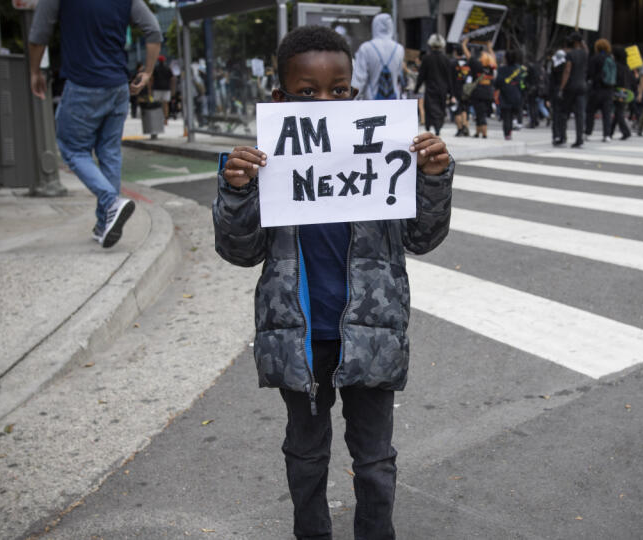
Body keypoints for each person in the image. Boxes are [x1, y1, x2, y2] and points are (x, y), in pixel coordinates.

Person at [213, 25, 454, 540]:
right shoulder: (263, 163)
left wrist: (432, 177)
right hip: (298, 340)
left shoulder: (384, 151)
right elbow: (240, 251)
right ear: (279, 98)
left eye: (339, 90)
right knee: (305, 455)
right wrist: (236, 191)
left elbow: (422, 237)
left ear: (354, 92)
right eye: (307, 92)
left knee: (374, 461)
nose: (326, 101)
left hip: (371, 334)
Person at [29, 0, 161, 248]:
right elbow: (153, 29)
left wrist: (34, 72)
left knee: (72, 148)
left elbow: (38, 35)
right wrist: (148, 71)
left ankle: (111, 202)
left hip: (83, 84)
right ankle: (104, 224)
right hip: (118, 86)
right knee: (109, 153)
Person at [352, 13, 404, 100]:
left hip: (371, 102)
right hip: (393, 101)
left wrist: (351, 100)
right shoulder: (399, 49)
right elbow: (398, 76)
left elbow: (359, 80)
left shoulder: (366, 48)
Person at [415, 33, 454, 136]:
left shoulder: (427, 58)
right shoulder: (446, 59)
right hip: (443, 89)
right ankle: (438, 127)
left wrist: (417, 88)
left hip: (430, 87)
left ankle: (429, 125)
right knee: (440, 107)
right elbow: (449, 77)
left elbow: (421, 75)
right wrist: (452, 93)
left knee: (429, 107)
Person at [558, 32, 588, 147]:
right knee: (579, 114)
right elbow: (586, 50)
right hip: (582, 85)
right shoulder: (585, 53)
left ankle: (562, 136)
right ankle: (579, 138)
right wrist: (583, 42)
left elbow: (567, 71)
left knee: (564, 112)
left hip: (571, 86)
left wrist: (561, 87)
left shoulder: (570, 55)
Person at [463, 37, 496, 139]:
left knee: (479, 113)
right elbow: (493, 58)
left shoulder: (476, 63)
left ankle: (484, 133)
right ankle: (478, 133)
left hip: (478, 92)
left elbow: (468, 56)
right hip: (489, 92)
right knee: (482, 112)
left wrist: (464, 45)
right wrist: (490, 48)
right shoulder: (491, 65)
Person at [585, 38, 614, 142]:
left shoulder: (594, 58)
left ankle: (588, 132)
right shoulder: (610, 58)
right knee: (606, 114)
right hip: (608, 90)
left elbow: (589, 74)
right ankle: (607, 135)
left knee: (590, 112)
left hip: (596, 89)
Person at [495, 49, 525, 140]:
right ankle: (510, 131)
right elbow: (522, 81)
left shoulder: (502, 69)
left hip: (505, 94)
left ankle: (507, 133)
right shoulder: (519, 69)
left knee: (506, 116)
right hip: (516, 94)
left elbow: (497, 82)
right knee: (512, 115)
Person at [609, 45, 634, 140]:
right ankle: (610, 132)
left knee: (619, 112)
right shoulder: (626, 66)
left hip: (617, 90)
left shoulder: (616, 65)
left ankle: (625, 131)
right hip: (625, 90)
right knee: (618, 111)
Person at [449, 43, 472, 136]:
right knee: (464, 109)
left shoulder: (452, 63)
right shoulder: (468, 63)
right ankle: (466, 127)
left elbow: (450, 78)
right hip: (466, 90)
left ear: (455, 52)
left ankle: (460, 129)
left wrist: (451, 93)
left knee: (456, 111)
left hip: (456, 89)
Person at [548, 48, 567, 145]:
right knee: (563, 115)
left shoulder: (553, 66)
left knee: (555, 115)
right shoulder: (566, 65)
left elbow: (551, 81)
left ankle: (556, 135)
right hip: (564, 92)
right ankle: (563, 136)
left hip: (555, 92)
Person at [151, 55, 173, 125]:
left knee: (157, 104)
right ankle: (166, 119)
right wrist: (172, 89)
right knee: (165, 104)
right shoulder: (168, 68)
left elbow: (152, 79)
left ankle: (157, 118)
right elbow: (172, 78)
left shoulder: (156, 68)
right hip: (166, 88)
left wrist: (150, 89)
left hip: (157, 88)